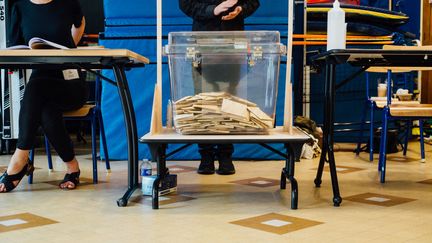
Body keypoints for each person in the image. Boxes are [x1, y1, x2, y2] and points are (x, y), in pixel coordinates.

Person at [0, 0, 87, 192]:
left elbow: (80, 24)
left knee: (36, 88)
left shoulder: (67, 3)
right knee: (46, 109)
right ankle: (73, 167)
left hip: (69, 82)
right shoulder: (20, 8)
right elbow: (15, 49)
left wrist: (71, 48)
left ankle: (20, 159)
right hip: (41, 85)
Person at [179, 0, 260, 175]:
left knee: (230, 99)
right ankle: (205, 156)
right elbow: (185, 4)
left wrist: (240, 10)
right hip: (202, 42)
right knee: (203, 100)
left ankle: (226, 156)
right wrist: (213, 10)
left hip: (232, 42)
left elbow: (253, 2)